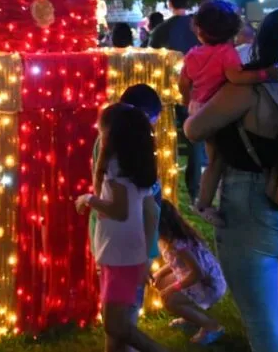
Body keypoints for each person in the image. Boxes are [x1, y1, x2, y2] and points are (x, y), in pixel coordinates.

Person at [184, 8, 278, 352]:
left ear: (262, 39)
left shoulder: (249, 89)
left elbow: (194, 129)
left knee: (262, 324)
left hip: (251, 205)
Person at [182, 0, 278, 227]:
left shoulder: (192, 54)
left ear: (199, 29)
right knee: (216, 160)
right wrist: (264, 75)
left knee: (212, 159)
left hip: (198, 105)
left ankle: (203, 203)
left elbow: (183, 81)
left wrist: (188, 100)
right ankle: (204, 205)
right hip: (214, 107)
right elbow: (235, 77)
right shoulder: (226, 53)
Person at [75, 104, 167, 352]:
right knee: (116, 327)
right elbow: (150, 211)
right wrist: (145, 255)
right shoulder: (136, 165)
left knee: (116, 326)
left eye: (102, 127)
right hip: (124, 253)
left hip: (120, 256)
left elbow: (119, 210)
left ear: (112, 133)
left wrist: (88, 199)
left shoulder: (116, 166)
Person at [90, 84, 164, 329]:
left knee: (117, 322)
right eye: (150, 122)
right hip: (125, 246)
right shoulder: (127, 153)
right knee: (119, 321)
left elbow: (139, 207)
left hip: (119, 246)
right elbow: (144, 208)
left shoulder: (113, 149)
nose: (151, 129)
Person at [148, 0, 202, 199]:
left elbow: (151, 59)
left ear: (169, 3)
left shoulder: (161, 30)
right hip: (196, 90)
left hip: (167, 91)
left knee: (165, 140)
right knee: (195, 142)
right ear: (188, 2)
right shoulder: (198, 28)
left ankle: (163, 185)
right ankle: (194, 190)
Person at [153, 200, 227, 345]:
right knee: (161, 282)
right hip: (196, 277)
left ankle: (211, 326)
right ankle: (189, 318)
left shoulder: (178, 243)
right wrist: (159, 273)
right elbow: (177, 263)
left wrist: (172, 288)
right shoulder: (170, 239)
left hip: (209, 284)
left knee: (170, 301)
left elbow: (197, 272)